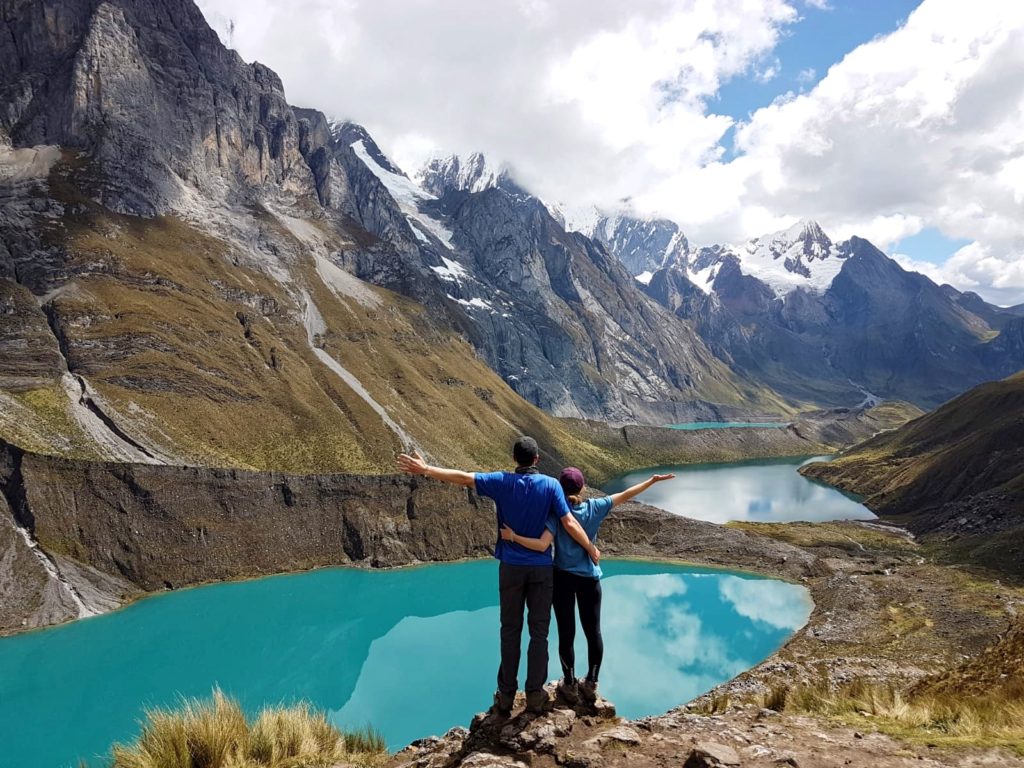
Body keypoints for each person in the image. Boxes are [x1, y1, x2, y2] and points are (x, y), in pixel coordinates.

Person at [397, 437, 600, 716]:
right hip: (541, 569)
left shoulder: (501, 482)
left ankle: (506, 696)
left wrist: (427, 470)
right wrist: (590, 547)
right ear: (537, 459)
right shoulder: (552, 485)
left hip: (511, 567)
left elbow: (465, 478)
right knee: (538, 633)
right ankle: (534, 695)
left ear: (515, 459)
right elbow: (569, 522)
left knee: (510, 630)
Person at [501, 467, 674, 704]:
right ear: (582, 488)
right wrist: (652, 481)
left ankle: (569, 684)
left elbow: (542, 545)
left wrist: (513, 537)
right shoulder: (596, 507)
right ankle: (591, 682)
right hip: (589, 580)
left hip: (562, 579)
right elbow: (626, 495)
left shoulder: (556, 513)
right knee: (593, 632)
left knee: (566, 633)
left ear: (560, 489)